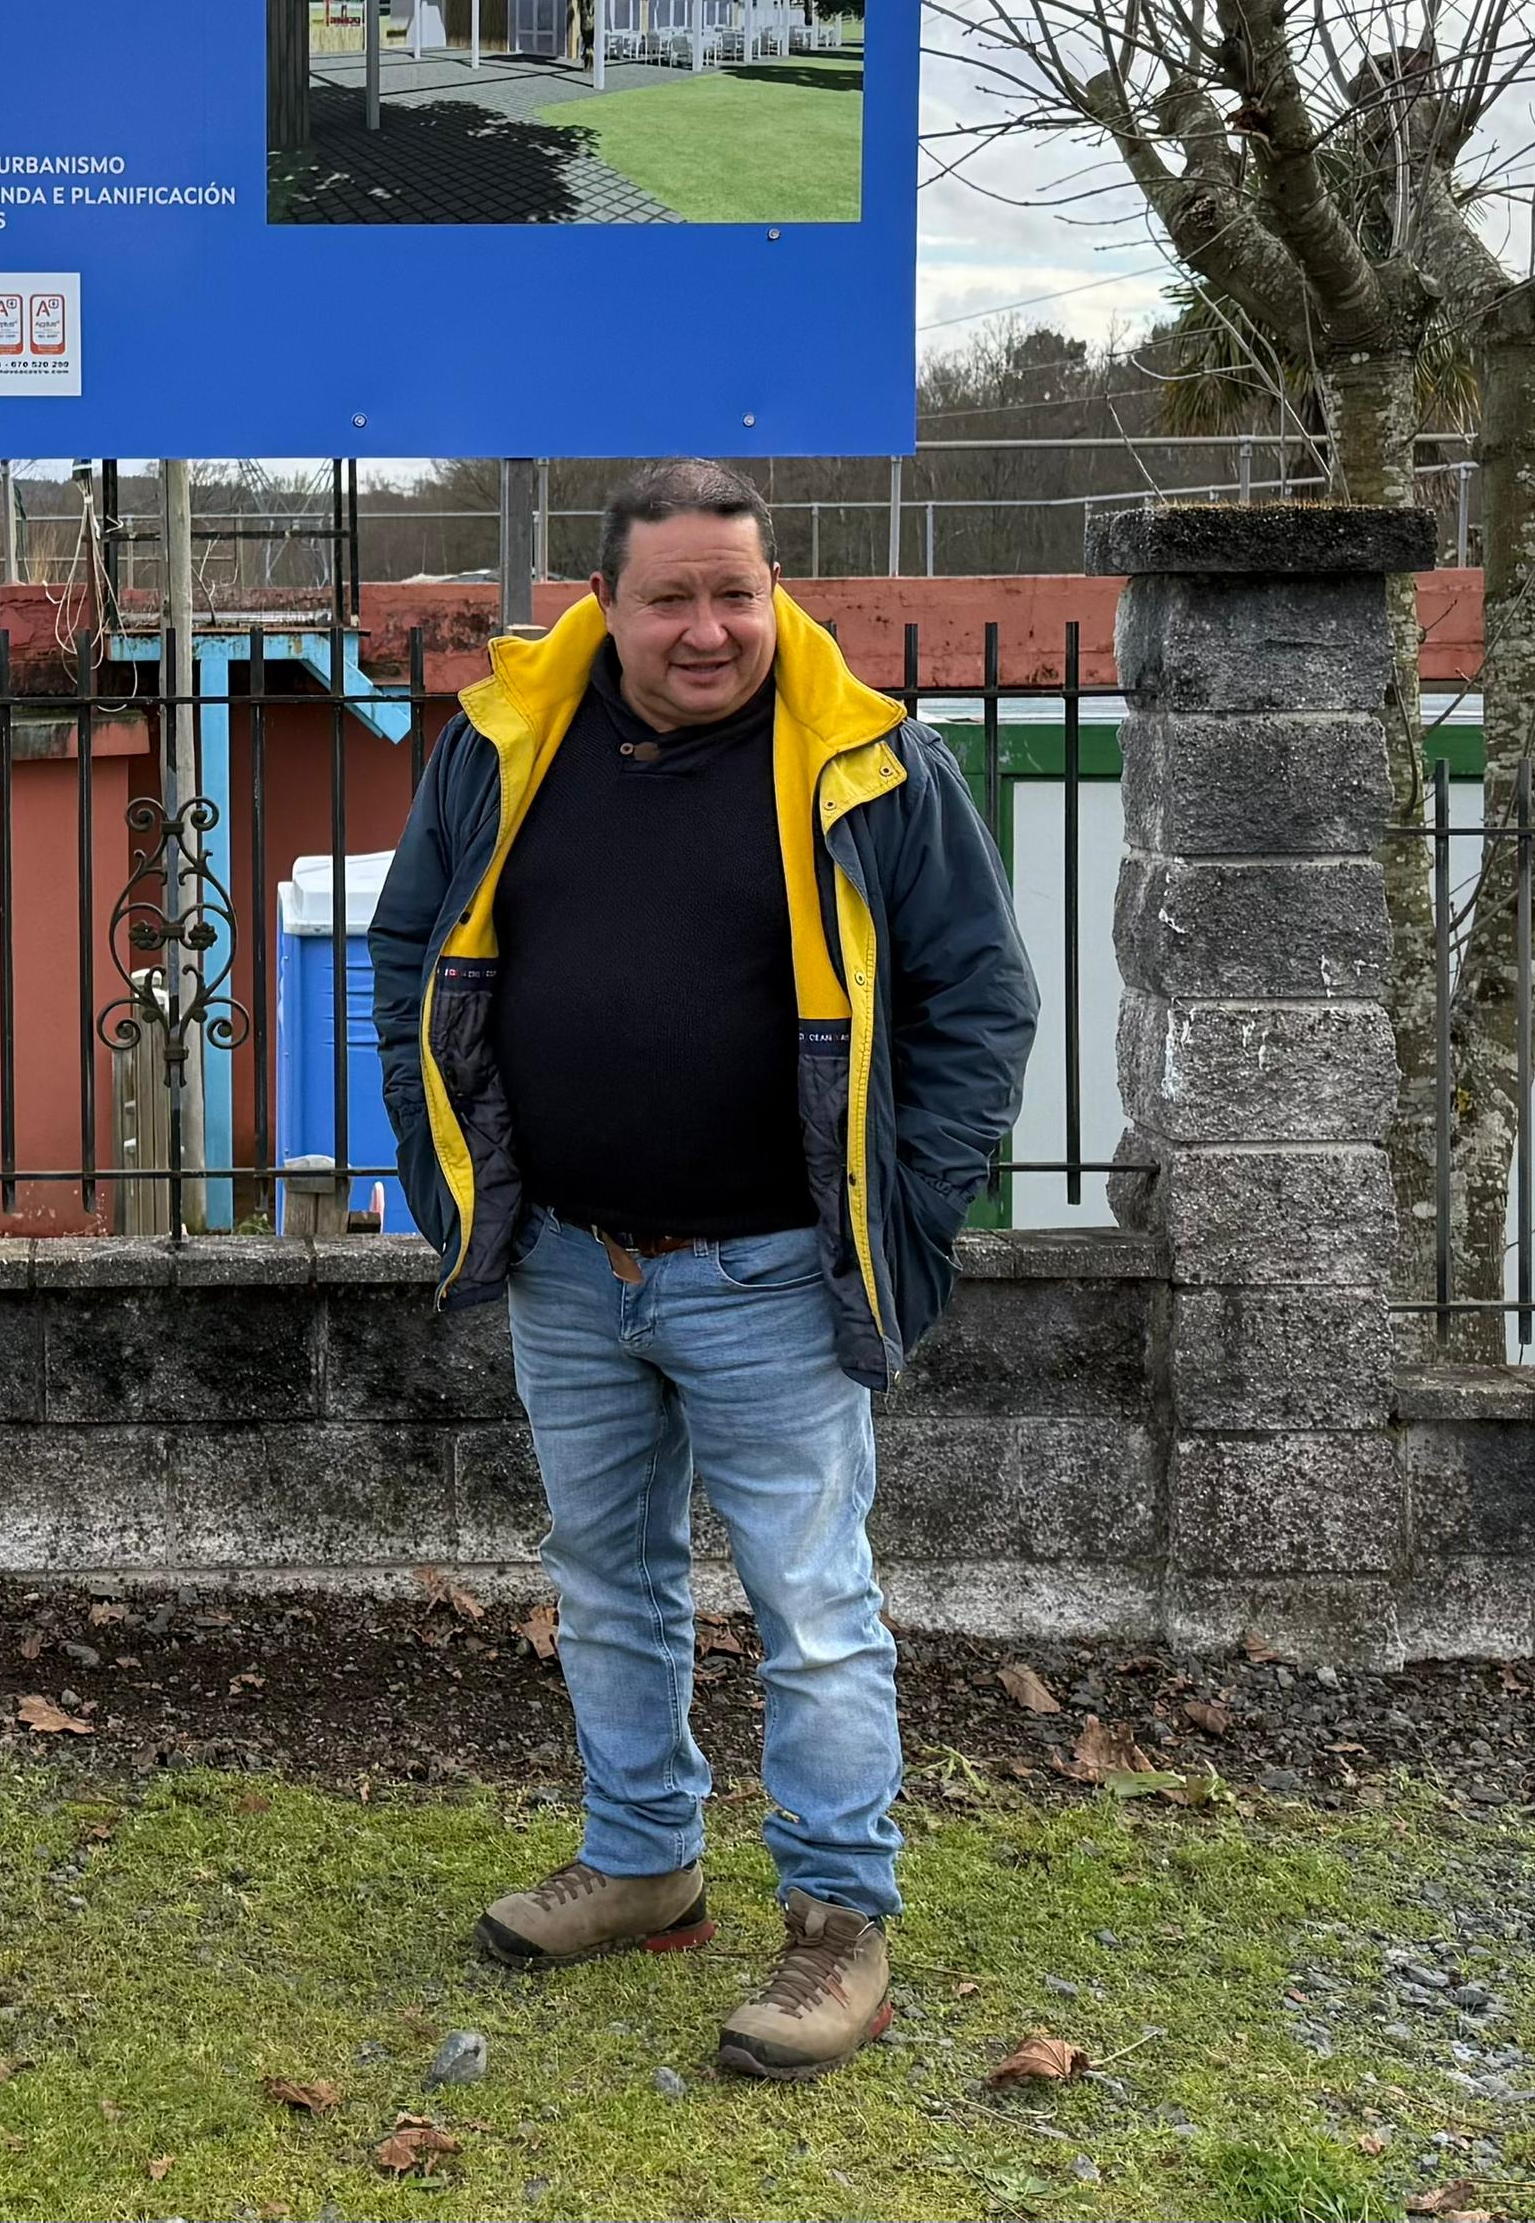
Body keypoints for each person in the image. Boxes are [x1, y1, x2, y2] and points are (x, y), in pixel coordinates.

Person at [367, 457, 1036, 2082]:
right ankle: (646, 1860)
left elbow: (979, 1002)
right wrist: (450, 1149)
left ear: (775, 590)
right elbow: (412, 946)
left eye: (737, 590)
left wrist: (912, 1200)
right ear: (607, 601)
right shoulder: (506, 747)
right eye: (670, 595)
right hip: (570, 1265)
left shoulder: (870, 765)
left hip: (775, 1277)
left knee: (813, 1612)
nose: (709, 628)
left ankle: (835, 1924)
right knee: (604, 1582)